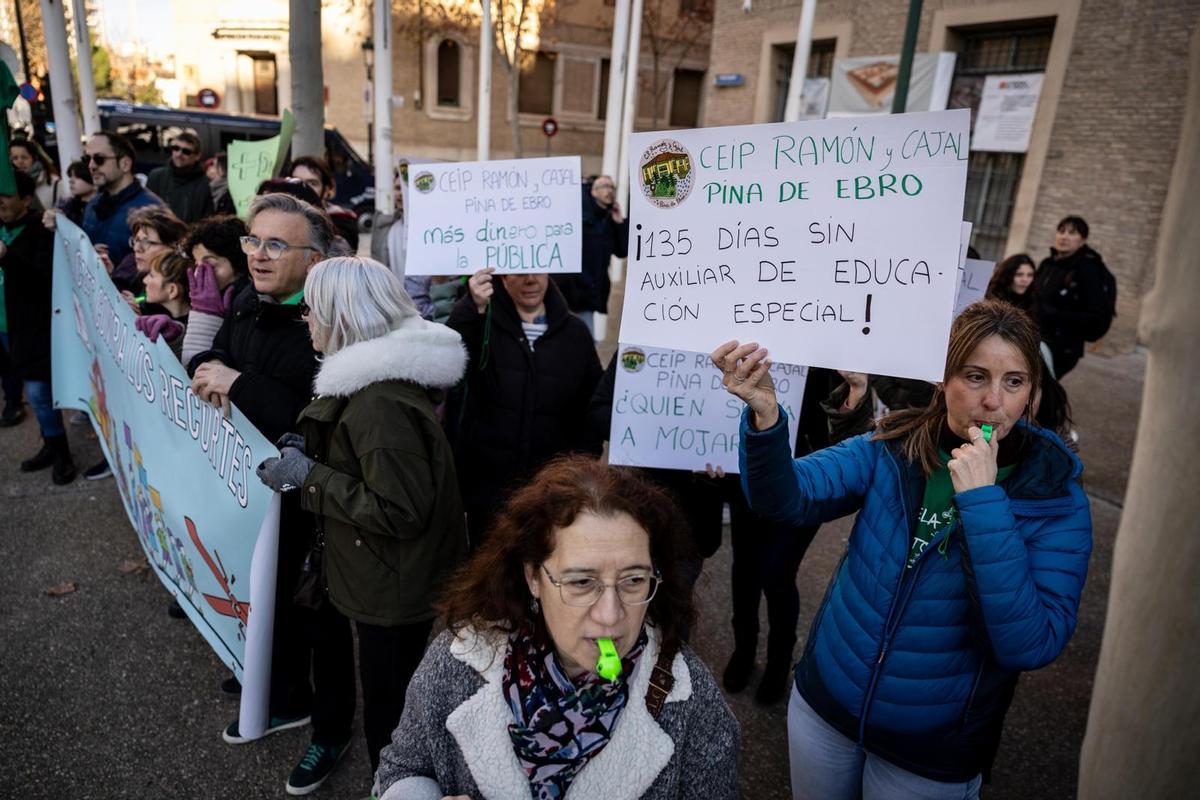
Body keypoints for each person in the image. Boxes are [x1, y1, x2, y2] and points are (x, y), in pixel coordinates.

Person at [713, 299, 1093, 799]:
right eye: (975, 377)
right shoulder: (893, 445)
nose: (994, 402)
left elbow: (1029, 643)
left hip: (929, 751)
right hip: (827, 707)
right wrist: (766, 419)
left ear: (1034, 394)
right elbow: (785, 499)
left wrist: (983, 504)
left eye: (1014, 382)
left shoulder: (1057, 500)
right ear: (941, 378)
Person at [373, 456, 740, 800]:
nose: (611, 616)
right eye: (582, 582)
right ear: (534, 577)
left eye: (633, 580)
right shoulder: (457, 664)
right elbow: (403, 766)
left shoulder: (692, 700)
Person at [255, 256, 469, 794]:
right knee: (389, 696)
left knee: (391, 706)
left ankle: (394, 785)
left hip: (392, 585)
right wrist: (314, 453)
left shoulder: (378, 401)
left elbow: (399, 509)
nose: (305, 319)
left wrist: (309, 475)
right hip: (381, 571)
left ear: (342, 315)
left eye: (313, 309)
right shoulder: (371, 381)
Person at [188, 193, 342, 754]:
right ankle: (266, 677)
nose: (258, 254)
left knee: (304, 612)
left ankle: (306, 711)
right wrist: (207, 371)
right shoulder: (245, 301)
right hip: (243, 488)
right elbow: (215, 361)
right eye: (254, 240)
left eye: (277, 244)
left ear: (313, 260)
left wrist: (238, 384)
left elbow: (311, 416)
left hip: (303, 499)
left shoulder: (328, 324)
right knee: (257, 593)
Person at [447, 268, 603, 542]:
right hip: (489, 493)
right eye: (519, 271)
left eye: (538, 271)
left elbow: (590, 407)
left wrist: (579, 472)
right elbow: (449, 364)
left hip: (553, 495)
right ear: (503, 277)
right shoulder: (482, 323)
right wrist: (471, 306)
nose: (531, 279)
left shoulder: (575, 333)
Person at [0, 171, 75, 483]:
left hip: (33, 328)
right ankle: (49, 443)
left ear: (26, 199)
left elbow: (45, 278)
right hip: (5, 330)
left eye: (6, 194)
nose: (0, 201)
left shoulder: (42, 229)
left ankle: (62, 456)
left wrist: (8, 258)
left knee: (40, 393)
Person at [1034, 216, 1112, 378]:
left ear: (1082, 240)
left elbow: (1094, 317)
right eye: (1061, 231)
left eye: (1072, 233)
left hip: (1063, 348)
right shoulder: (1048, 263)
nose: (1065, 237)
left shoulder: (1088, 270)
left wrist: (1054, 314)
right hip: (1037, 340)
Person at [551, 176, 629, 335]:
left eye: (612, 187)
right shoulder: (579, 215)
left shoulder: (608, 219)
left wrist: (619, 222)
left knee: (583, 339)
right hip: (571, 288)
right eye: (605, 186)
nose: (609, 191)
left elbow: (622, 251)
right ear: (593, 191)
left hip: (590, 292)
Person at [81, 131, 163, 268]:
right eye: (86, 159)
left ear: (125, 164)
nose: (91, 166)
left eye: (99, 159)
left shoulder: (152, 210)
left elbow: (159, 267)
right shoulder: (93, 204)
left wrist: (118, 275)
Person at [179, 214, 251, 365]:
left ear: (237, 265)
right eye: (196, 264)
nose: (199, 273)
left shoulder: (248, 303)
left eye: (210, 265)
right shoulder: (208, 296)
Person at [111, 205, 188, 300]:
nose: (137, 248)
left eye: (147, 242)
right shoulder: (140, 274)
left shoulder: (187, 292)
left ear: (172, 247)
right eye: (136, 240)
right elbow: (143, 298)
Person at [290, 155, 358, 252]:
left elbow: (339, 254)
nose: (302, 188)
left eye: (312, 183)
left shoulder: (342, 220)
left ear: (326, 190)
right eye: (296, 182)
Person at [146, 132, 214, 223]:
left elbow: (206, 221)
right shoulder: (156, 176)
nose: (179, 154)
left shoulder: (206, 184)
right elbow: (145, 212)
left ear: (197, 156)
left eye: (186, 151)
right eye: (176, 148)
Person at [135, 251, 191, 360]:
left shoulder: (193, 333)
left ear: (172, 290)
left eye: (152, 275)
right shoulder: (147, 309)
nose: (145, 280)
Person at [10, 138, 62, 212]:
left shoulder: (54, 183)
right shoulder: (8, 185)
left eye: (24, 157)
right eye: (15, 158)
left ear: (34, 158)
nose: (20, 161)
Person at [43, 160, 96, 229]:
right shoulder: (66, 205)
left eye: (78, 177)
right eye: (70, 176)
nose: (71, 181)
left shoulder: (102, 204)